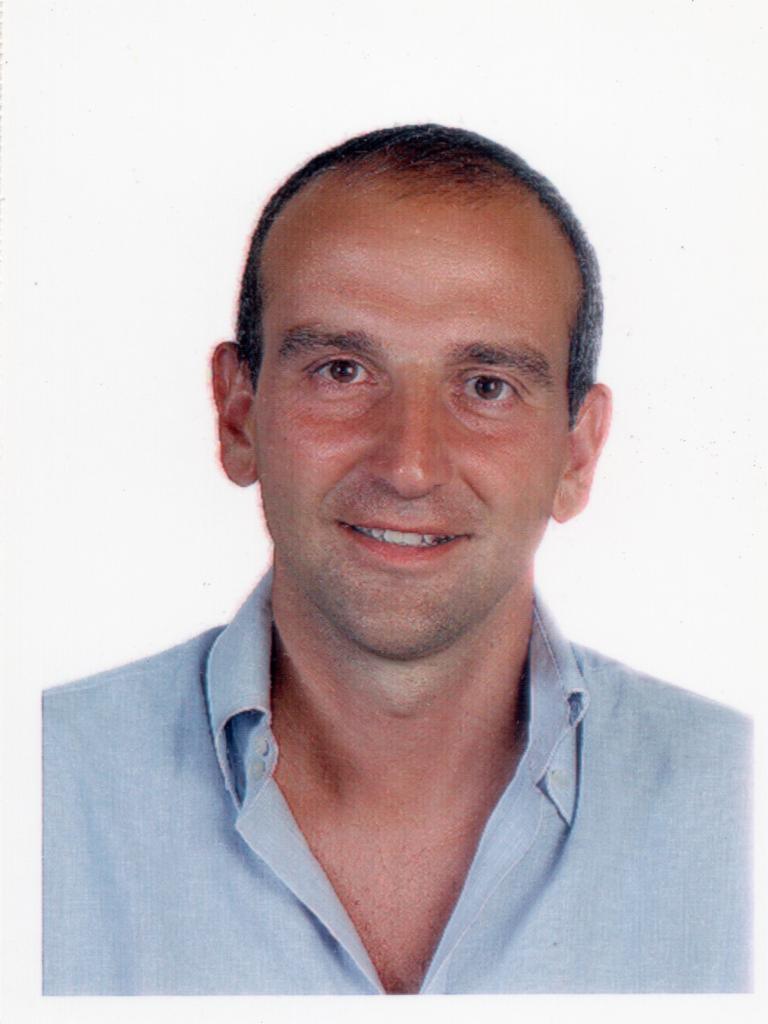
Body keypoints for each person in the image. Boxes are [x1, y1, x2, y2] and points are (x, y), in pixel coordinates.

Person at [43, 124, 751, 995]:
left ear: (577, 453)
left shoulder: (739, 806)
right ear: (237, 415)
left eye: (487, 386)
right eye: (342, 370)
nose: (409, 466)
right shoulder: (41, 791)